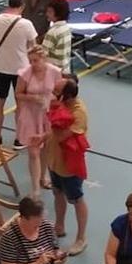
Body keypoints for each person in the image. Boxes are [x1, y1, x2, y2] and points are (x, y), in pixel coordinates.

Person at [0, 0, 37, 145]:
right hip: (20, 69)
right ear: (23, 6)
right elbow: (33, 46)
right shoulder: (26, 24)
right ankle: (19, 138)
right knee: (20, 104)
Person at [47, 79, 90, 255]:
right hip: (54, 159)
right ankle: (59, 226)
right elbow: (52, 132)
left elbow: (61, 136)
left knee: (76, 199)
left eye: (56, 93)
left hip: (69, 164)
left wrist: (54, 113)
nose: (52, 96)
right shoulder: (59, 105)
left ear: (67, 96)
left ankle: (81, 238)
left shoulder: (79, 113)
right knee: (57, 192)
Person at [16, 46, 64, 194]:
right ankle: (35, 186)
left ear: (44, 59)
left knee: (46, 149)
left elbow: (60, 93)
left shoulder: (55, 72)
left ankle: (43, 177)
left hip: (48, 114)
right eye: (30, 61)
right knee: (33, 152)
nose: (33, 64)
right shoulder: (25, 74)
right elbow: (18, 94)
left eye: (36, 60)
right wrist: (32, 98)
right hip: (30, 114)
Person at [40, 0, 72, 74]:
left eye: (50, 12)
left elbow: (43, 54)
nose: (47, 14)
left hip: (52, 72)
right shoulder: (66, 28)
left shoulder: (52, 32)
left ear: (58, 14)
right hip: (65, 69)